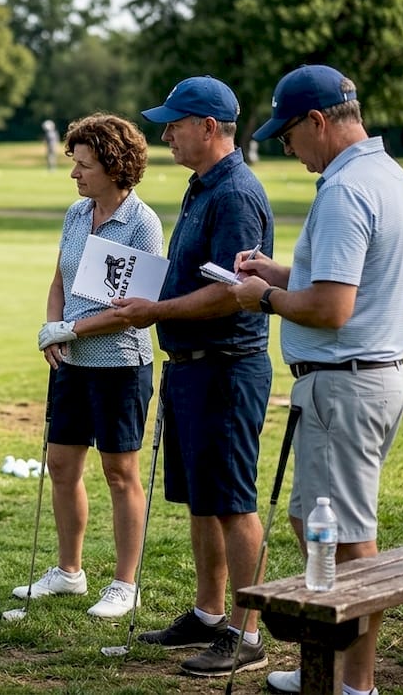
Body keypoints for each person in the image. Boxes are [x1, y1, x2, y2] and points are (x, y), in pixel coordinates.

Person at [232, 64, 403, 695]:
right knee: (323, 527)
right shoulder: (386, 174)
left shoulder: (344, 190)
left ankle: (354, 685)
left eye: (289, 135)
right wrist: (277, 272)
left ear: (317, 122)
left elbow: (333, 309)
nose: (288, 149)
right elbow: (337, 286)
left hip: (345, 383)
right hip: (370, 377)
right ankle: (339, 669)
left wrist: (261, 297)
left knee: (348, 541)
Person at [109, 76, 275, 677]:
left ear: (208, 127)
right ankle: (209, 615)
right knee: (201, 500)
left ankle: (246, 632)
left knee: (232, 501)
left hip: (226, 368)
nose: (166, 133)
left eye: (175, 123)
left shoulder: (235, 195)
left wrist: (154, 311)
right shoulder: (201, 186)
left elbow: (232, 294)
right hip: (190, 369)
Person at [19, 113, 162, 620]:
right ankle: (69, 572)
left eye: (84, 165)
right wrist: (52, 325)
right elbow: (60, 278)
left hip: (120, 364)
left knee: (120, 472)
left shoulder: (142, 224)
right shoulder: (77, 215)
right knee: (61, 464)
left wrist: (71, 331)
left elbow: (135, 308)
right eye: (74, 164)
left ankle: (125, 584)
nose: (75, 174)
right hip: (72, 363)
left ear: (113, 164)